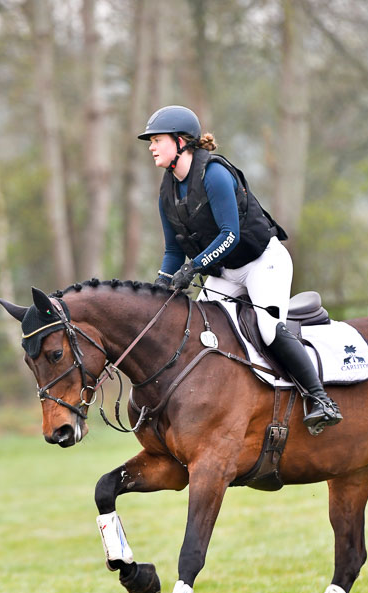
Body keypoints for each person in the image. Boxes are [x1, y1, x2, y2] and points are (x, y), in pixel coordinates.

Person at [138, 104, 342, 435]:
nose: (151, 146)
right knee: (196, 329)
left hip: (263, 262)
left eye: (156, 139)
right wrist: (160, 286)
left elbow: (229, 235)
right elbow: (173, 249)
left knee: (267, 327)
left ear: (180, 141)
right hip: (224, 273)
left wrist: (195, 267)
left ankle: (320, 399)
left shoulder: (215, 174)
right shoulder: (167, 191)